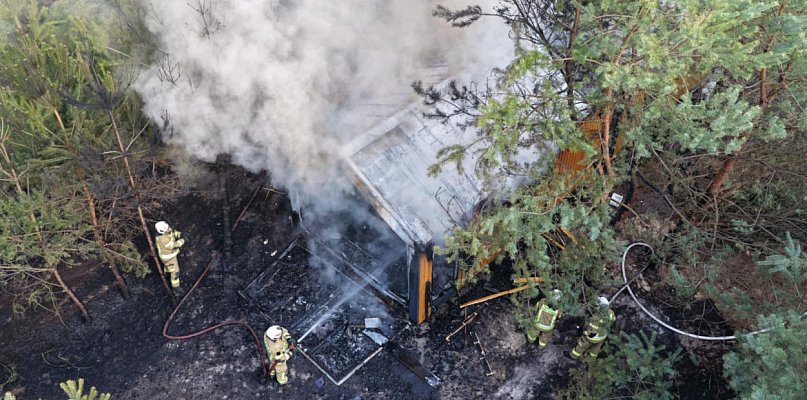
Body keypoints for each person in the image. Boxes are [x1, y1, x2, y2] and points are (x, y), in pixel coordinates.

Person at [155, 221, 185, 288]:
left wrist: (179, 234)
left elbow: (172, 232)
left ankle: (167, 274)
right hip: (168, 257)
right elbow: (172, 246)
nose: (167, 228)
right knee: (175, 272)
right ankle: (176, 287)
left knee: (168, 267)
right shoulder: (162, 238)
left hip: (169, 256)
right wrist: (182, 241)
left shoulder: (164, 230)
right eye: (166, 228)